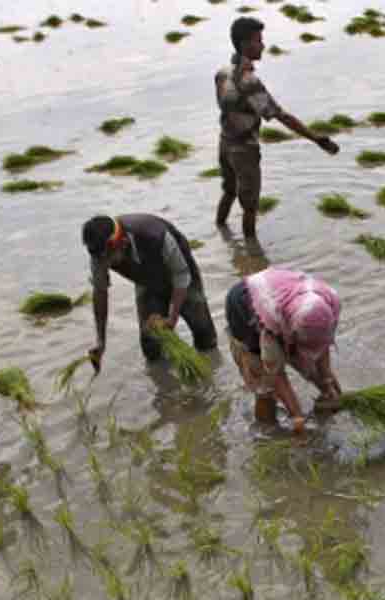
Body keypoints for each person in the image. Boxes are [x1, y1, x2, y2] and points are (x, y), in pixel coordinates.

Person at [216, 17, 341, 237]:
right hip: (244, 150)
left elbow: (226, 107)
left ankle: (221, 229)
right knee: (250, 207)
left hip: (225, 143)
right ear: (245, 44)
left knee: (229, 192)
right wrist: (316, 138)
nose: (263, 45)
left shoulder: (222, 73)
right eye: (258, 40)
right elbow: (280, 115)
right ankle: (253, 256)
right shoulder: (248, 81)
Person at [81, 214, 218, 370]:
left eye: (108, 260)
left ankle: (209, 374)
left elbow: (181, 275)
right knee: (151, 344)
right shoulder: (98, 254)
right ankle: (165, 384)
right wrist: (101, 341)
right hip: (146, 280)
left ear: (122, 244)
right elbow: (100, 291)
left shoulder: (156, 236)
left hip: (181, 274)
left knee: (204, 333)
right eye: (100, 261)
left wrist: (172, 318)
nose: (104, 265)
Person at [225, 268, 342, 431]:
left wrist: (327, 381)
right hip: (243, 310)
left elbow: (323, 348)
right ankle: (267, 433)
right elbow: (276, 374)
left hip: (284, 297)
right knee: (265, 386)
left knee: (320, 377)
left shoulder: (330, 303)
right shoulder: (271, 324)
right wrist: (297, 416)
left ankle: (330, 402)